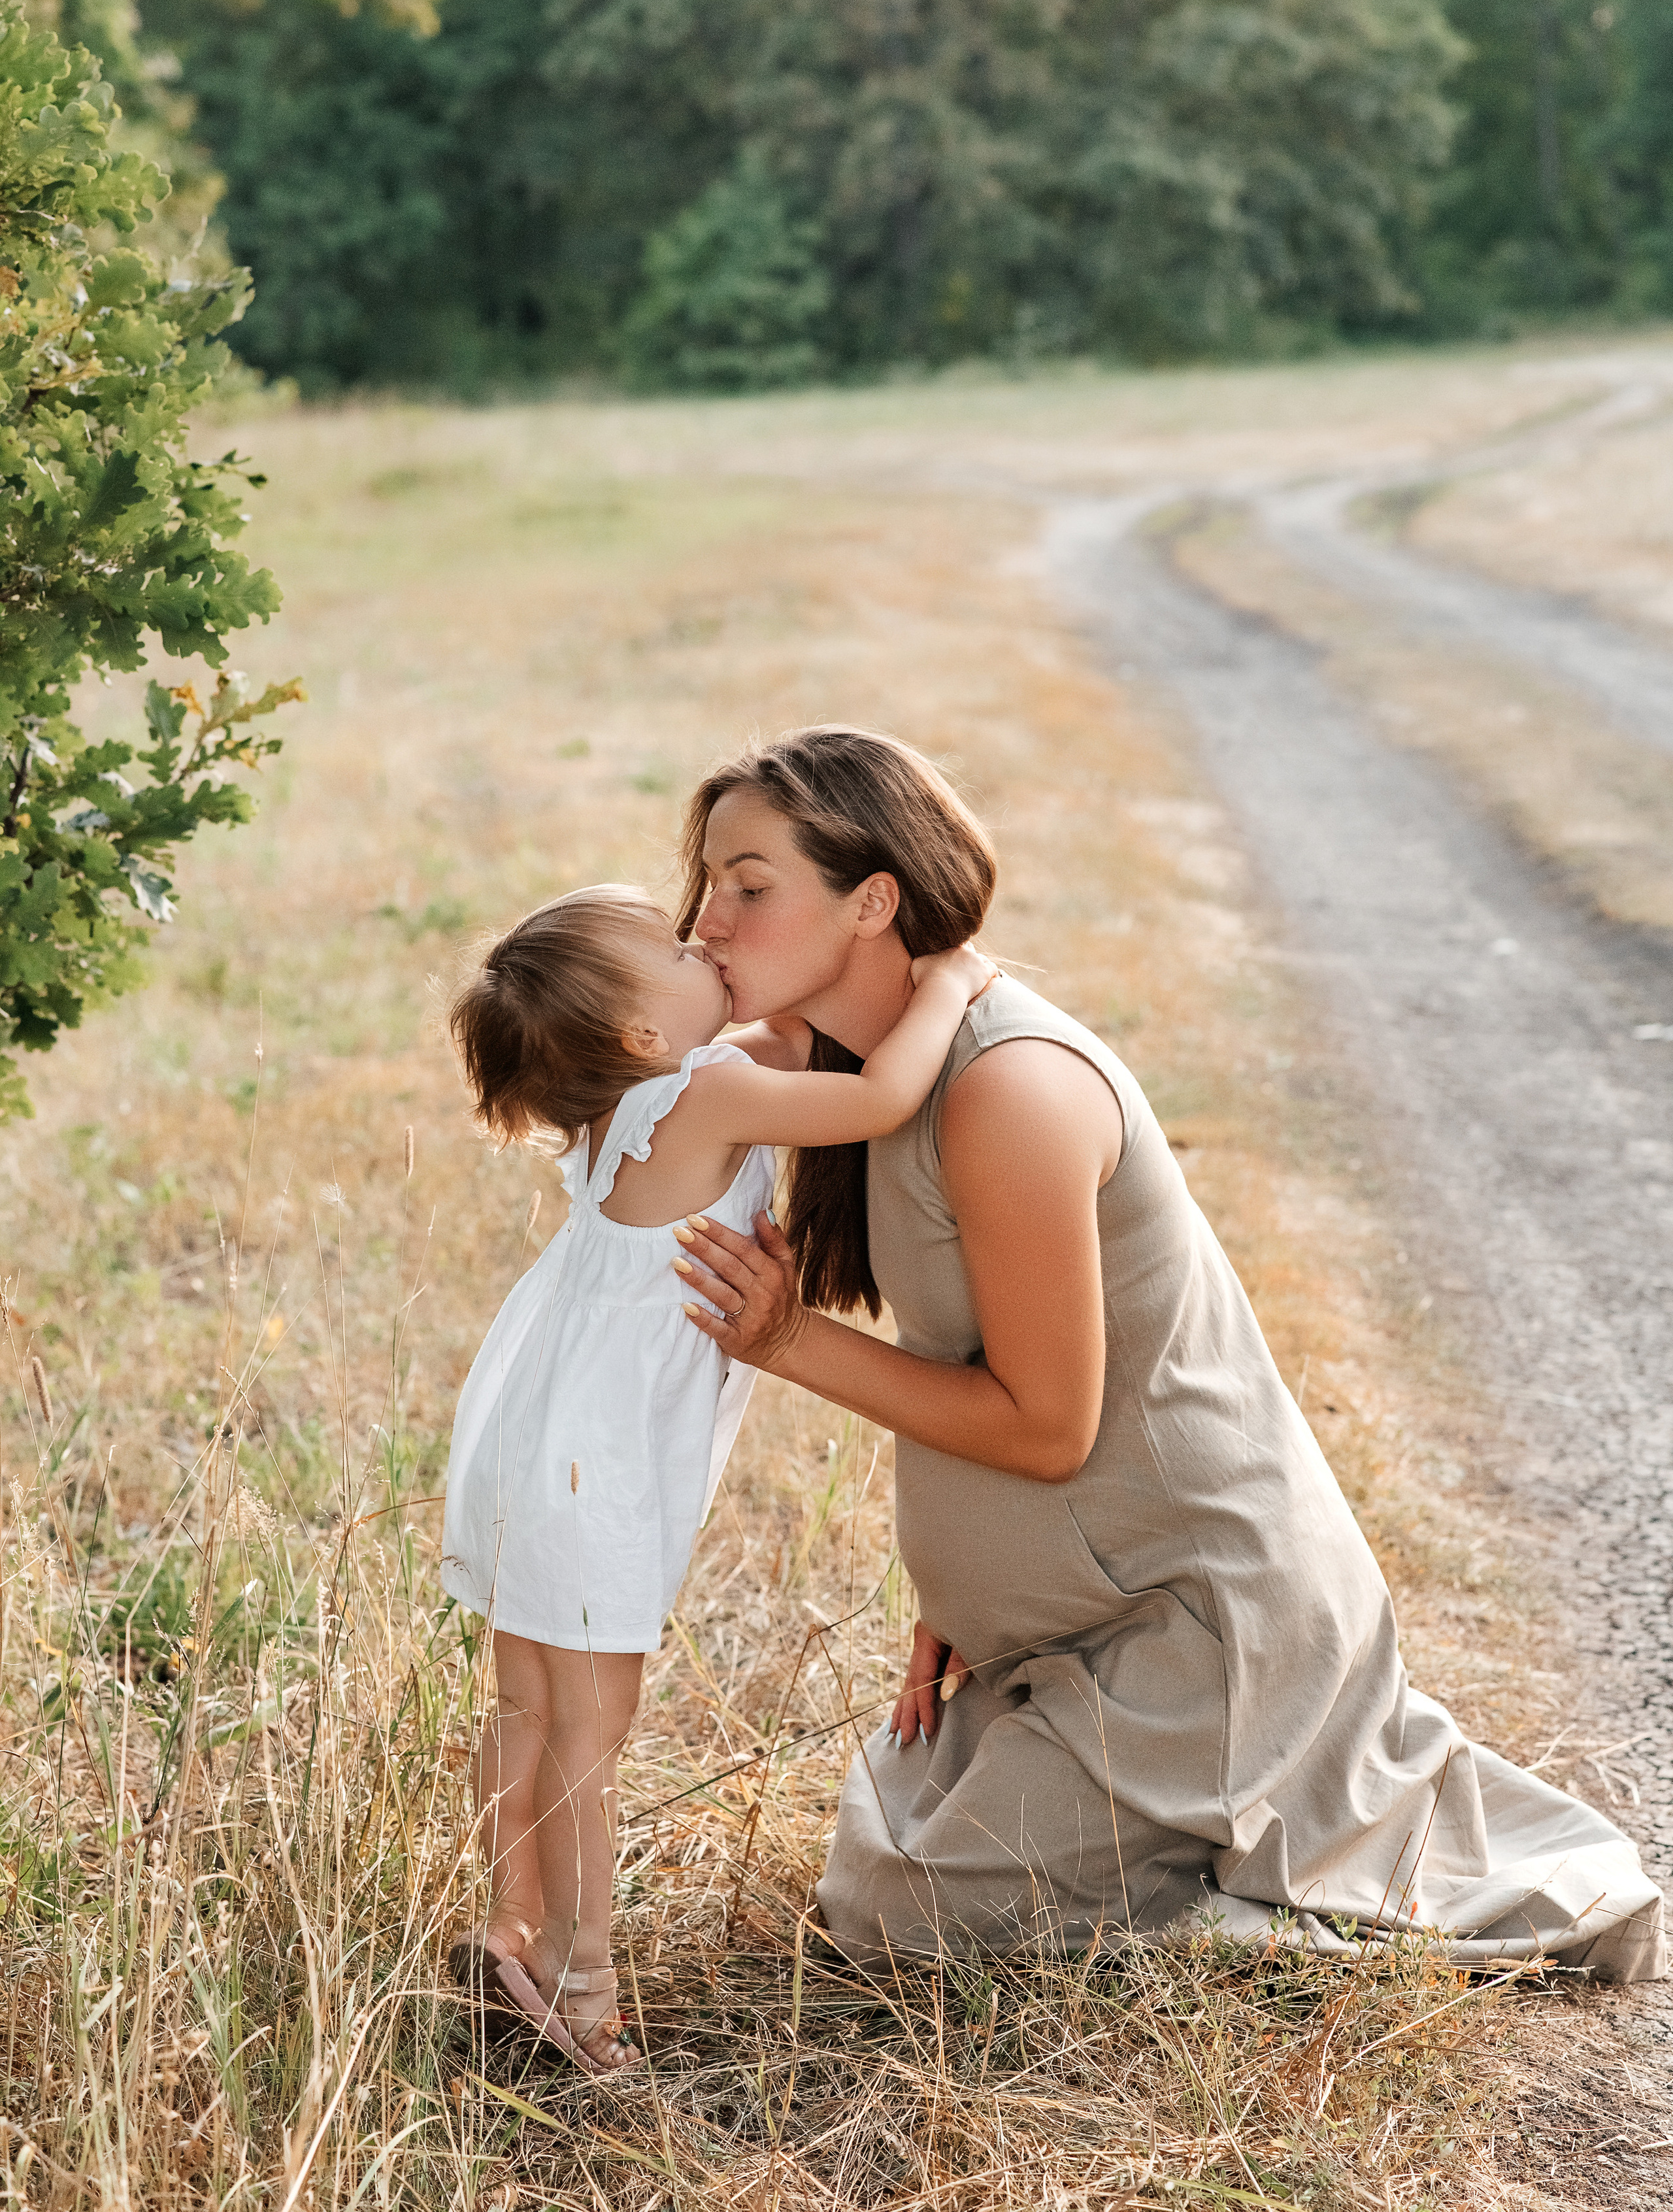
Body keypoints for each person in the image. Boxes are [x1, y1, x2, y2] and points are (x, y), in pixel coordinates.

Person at [671, 726, 1666, 1984]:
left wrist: (783, 1338)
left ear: (874, 900)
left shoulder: (1008, 1089)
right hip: (1082, 1622)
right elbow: (979, 1351)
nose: (708, 917)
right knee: (894, 1826)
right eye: (709, 880)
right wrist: (963, 1597)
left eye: (750, 885)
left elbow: (1048, 1427)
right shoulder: (870, 1072)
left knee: (899, 1908)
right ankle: (1189, 1830)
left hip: (1197, 1630)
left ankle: (1323, 1927)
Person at [439, 881, 995, 2072]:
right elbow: (881, 1094)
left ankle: (509, 1920)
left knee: (527, 1706)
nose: (704, 940)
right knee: (596, 1727)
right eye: (676, 946)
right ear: (643, 1034)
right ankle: (583, 1988)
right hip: (596, 1462)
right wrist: (951, 979)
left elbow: (779, 1032)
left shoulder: (620, 1104)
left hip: (532, 1438)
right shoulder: (705, 1086)